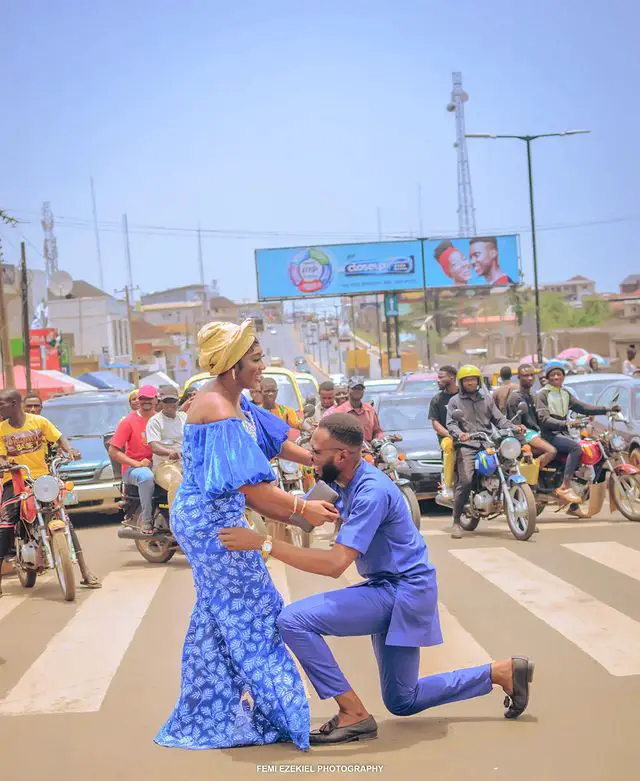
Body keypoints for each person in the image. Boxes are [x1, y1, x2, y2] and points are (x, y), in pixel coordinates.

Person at [219, 414, 535, 745]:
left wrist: (263, 544)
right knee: (403, 700)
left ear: (340, 456)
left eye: (315, 451)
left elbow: (334, 564)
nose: (309, 458)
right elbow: (297, 515)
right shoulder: (339, 482)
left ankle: (352, 713)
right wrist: (234, 489)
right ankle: (500, 672)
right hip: (390, 587)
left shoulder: (371, 491)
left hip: (403, 591)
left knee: (293, 621)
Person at [154, 320, 338, 751]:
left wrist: (324, 460)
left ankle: (208, 714)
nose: (263, 366)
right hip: (212, 525)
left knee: (216, 617)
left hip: (220, 514)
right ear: (232, 365)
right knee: (254, 611)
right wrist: (301, 508)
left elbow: (276, 441)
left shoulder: (236, 402)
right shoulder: (217, 409)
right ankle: (282, 712)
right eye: (255, 359)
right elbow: (250, 488)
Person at [0, 389, 100, 595]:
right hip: (16, 479)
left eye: (1, 404)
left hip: (43, 479)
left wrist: (70, 450)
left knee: (64, 518)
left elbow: (60, 438)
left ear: (14, 404)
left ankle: (84, 570)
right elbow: (1, 456)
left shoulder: (39, 422)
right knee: (6, 523)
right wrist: (4, 463)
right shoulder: (1, 429)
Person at [446, 366, 524, 539]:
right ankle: (457, 521)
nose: (470, 382)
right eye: (467, 380)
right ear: (461, 382)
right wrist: (460, 434)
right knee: (465, 480)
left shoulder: (487, 399)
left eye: (473, 379)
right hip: (468, 444)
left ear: (478, 380)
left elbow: (499, 419)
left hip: (489, 442)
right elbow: (451, 424)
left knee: (509, 468)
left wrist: (514, 427)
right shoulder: (455, 402)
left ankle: (523, 516)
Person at [535, 361, 618, 505]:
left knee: (587, 448)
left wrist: (607, 409)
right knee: (575, 448)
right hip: (549, 435)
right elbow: (544, 419)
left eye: (558, 374)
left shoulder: (565, 393)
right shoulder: (542, 394)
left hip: (563, 433)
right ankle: (565, 486)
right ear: (548, 378)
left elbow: (583, 407)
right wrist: (565, 424)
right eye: (552, 375)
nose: (556, 377)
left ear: (563, 377)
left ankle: (577, 488)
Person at [108, 385, 158, 534]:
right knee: (146, 476)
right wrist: (136, 464)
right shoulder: (128, 421)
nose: (146, 401)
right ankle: (147, 520)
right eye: (142, 398)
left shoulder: (160, 419)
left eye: (149, 398)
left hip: (159, 466)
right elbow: (113, 450)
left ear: (156, 399)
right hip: (133, 469)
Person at [506, 365, 557, 468]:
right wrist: (524, 444)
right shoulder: (515, 397)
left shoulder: (534, 396)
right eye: (525, 375)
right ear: (519, 377)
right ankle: (531, 473)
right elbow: (515, 425)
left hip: (537, 432)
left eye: (532, 375)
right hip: (526, 433)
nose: (529, 378)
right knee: (551, 451)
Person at [146, 387, 186, 508]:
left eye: (172, 401)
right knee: (177, 482)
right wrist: (170, 453)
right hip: (164, 465)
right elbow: (154, 446)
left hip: (187, 463)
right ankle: (177, 523)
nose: (169, 404)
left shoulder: (184, 417)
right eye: (166, 401)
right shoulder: (155, 421)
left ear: (178, 401)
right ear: (160, 402)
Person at [428, 365, 458, 500]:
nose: (437, 380)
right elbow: (435, 423)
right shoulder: (437, 400)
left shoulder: (463, 397)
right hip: (448, 437)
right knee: (449, 445)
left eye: (441, 377)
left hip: (468, 436)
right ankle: (448, 485)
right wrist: (450, 434)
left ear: (452, 378)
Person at [331, 377, 383, 443]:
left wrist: (380, 439)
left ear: (363, 391)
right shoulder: (339, 412)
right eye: (354, 388)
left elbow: (377, 431)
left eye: (360, 388)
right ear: (348, 389)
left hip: (370, 451)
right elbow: (334, 436)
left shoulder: (370, 410)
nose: (357, 391)